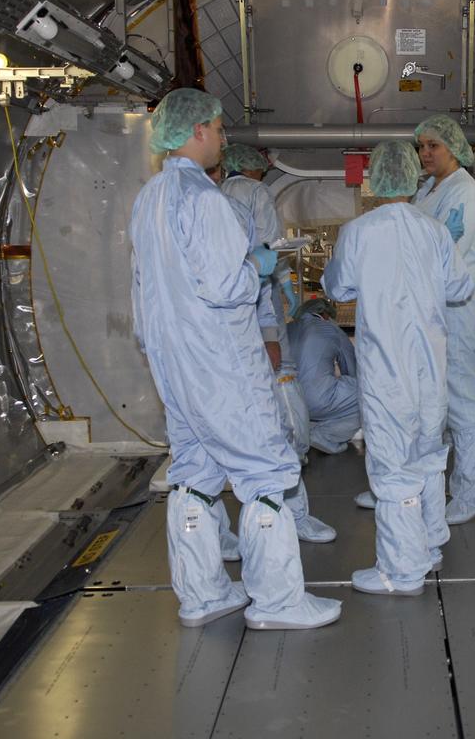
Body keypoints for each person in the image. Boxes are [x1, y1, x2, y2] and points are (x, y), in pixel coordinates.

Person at [129, 87, 341, 631]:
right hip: (221, 361)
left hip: (174, 361)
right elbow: (228, 287)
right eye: (219, 129)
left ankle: (202, 596)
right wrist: (259, 262)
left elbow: (143, 289)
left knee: (194, 472)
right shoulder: (204, 200)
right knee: (265, 471)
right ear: (197, 131)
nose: (224, 138)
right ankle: (277, 601)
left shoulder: (149, 198)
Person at [322, 141, 475, 596]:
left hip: (387, 371)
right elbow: (461, 286)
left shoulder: (359, 231)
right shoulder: (433, 231)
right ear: (412, 178)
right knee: (428, 458)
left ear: (377, 178)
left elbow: (337, 287)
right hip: (430, 370)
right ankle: (429, 542)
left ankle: (401, 571)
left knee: (392, 470)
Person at [352, 115, 475, 526]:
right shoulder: (430, 190)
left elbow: (444, 261)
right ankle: (403, 486)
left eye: (434, 145)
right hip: (426, 313)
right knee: (429, 404)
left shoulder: (465, 194)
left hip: (455, 311)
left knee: (464, 402)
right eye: (421, 147)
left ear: (454, 147)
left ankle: (472, 492)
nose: (425, 154)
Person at [219, 142, 336, 544]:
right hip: (258, 325)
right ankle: (293, 513)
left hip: (226, 336)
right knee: (282, 415)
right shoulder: (253, 193)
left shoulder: (209, 197)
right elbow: (267, 252)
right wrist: (277, 300)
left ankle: (233, 532)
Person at [288, 297, 362, 455]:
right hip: (317, 400)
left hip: (289, 401)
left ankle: (307, 430)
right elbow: (351, 369)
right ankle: (323, 435)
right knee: (368, 396)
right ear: (324, 314)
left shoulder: (287, 328)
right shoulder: (331, 329)